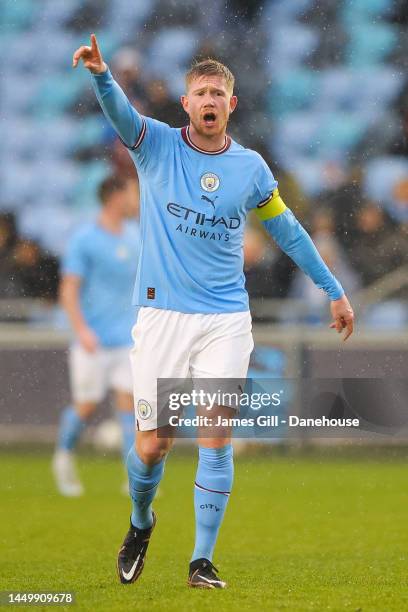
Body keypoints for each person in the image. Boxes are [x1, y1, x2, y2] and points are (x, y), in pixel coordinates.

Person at [72, 34, 354, 589]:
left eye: (217, 93)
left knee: (217, 436)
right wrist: (102, 74)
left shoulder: (250, 169)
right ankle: (140, 522)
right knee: (153, 444)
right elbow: (120, 112)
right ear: (186, 103)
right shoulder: (153, 144)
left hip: (225, 318)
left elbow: (289, 233)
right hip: (162, 317)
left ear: (231, 104)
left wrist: (333, 288)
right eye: (199, 91)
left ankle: (201, 561)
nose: (208, 99)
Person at [52, 175, 140, 496]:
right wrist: (81, 330)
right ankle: (63, 457)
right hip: (94, 340)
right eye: (132, 194)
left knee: (130, 405)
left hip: (128, 339)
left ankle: (134, 476)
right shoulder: (85, 239)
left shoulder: (135, 235)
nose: (136, 200)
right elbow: (68, 289)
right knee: (86, 406)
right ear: (115, 197)